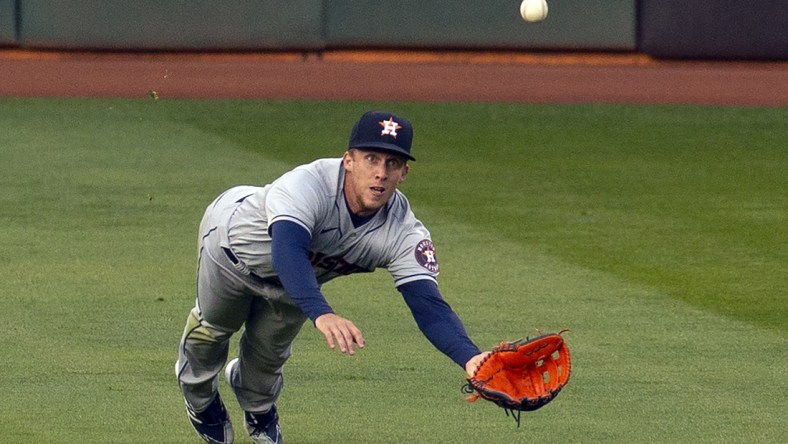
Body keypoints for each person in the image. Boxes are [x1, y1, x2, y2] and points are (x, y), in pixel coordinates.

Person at [176, 111, 489, 444]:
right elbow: (288, 250)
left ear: (404, 173)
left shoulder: (403, 232)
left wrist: (469, 356)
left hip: (296, 283)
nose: (380, 173)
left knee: (268, 356)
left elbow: (428, 304)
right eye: (371, 158)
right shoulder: (307, 184)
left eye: (392, 163)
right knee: (212, 332)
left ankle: (259, 409)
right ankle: (201, 401)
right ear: (348, 161)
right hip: (229, 252)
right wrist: (321, 312)